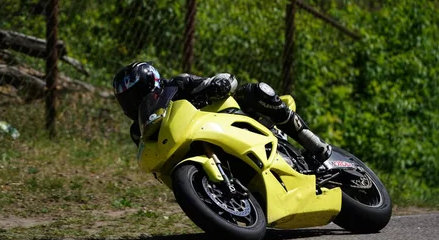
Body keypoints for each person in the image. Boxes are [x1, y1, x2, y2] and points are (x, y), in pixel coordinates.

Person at [113, 61, 332, 163]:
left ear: (151, 82)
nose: (133, 104)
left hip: (230, 120)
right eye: (126, 100)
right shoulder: (139, 131)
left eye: (136, 94)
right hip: (201, 147)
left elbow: (225, 79)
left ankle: (314, 143)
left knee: (257, 92)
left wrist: (218, 85)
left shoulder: (178, 85)